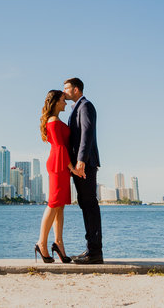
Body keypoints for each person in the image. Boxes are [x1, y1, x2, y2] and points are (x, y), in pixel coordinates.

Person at [35, 89, 83, 263]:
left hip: (61, 164)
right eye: (63, 100)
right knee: (54, 203)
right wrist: (73, 168)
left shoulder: (56, 120)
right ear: (55, 102)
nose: (65, 103)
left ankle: (59, 243)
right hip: (58, 164)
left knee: (60, 205)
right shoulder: (53, 121)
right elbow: (61, 147)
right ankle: (42, 243)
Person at [63, 76, 103, 264]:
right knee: (85, 205)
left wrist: (81, 160)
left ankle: (95, 253)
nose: (64, 91)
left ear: (76, 89)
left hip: (84, 164)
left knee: (90, 205)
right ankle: (91, 250)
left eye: (67, 88)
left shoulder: (85, 106)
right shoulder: (75, 108)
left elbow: (86, 133)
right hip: (80, 165)